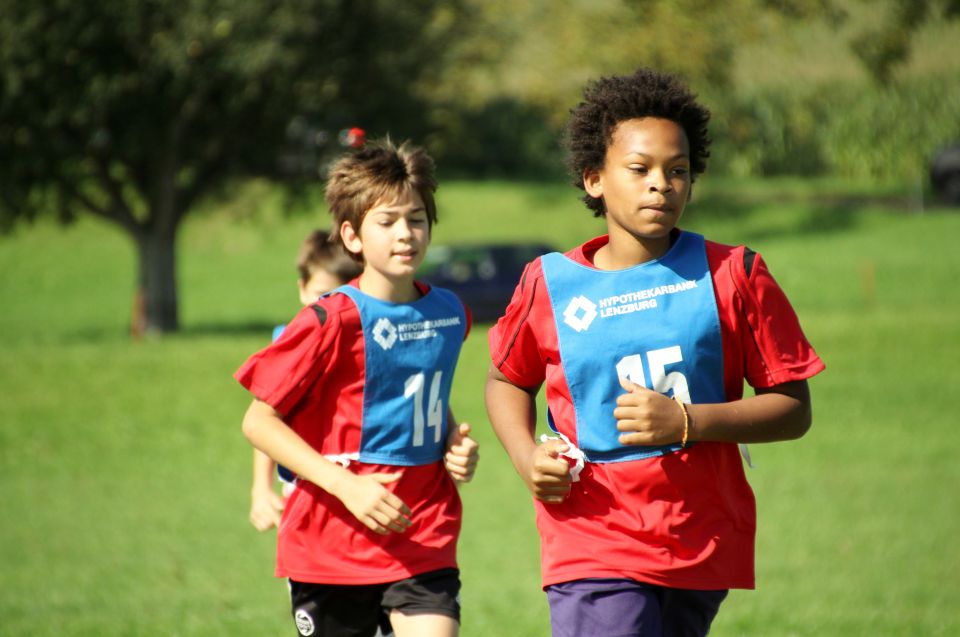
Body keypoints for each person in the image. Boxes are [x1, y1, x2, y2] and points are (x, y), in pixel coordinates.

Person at [484, 67, 825, 637]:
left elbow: (794, 408)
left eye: (678, 170)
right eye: (640, 169)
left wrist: (687, 421)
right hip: (591, 535)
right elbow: (506, 380)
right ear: (594, 179)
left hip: (699, 539)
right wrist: (526, 459)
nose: (661, 185)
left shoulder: (733, 273)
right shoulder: (549, 283)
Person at [236, 138, 479, 637]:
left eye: (416, 219)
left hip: (422, 534)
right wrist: (347, 486)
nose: (405, 233)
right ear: (352, 236)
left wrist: (451, 443)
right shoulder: (328, 321)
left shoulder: (449, 313)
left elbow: (423, 393)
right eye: (386, 222)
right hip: (331, 545)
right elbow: (259, 421)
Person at [249, 229, 362, 532]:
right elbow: (265, 419)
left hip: (365, 485)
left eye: (344, 295)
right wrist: (261, 488)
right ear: (302, 289)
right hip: (306, 490)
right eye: (322, 295)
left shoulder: (368, 342)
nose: (334, 307)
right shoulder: (289, 345)